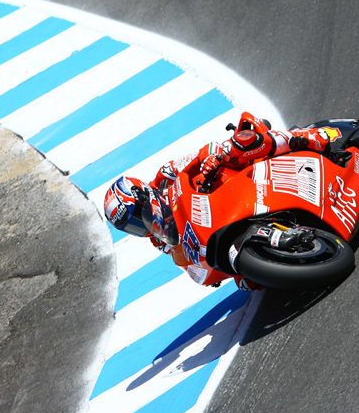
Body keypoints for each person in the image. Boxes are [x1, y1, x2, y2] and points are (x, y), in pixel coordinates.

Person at [103, 112, 332, 291]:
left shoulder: (164, 177)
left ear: (144, 196)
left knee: (234, 150)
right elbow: (186, 255)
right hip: (219, 218)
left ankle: (304, 139)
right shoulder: (159, 239)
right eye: (131, 226)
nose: (138, 225)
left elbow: (202, 153)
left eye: (135, 216)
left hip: (228, 180)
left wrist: (210, 162)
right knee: (250, 284)